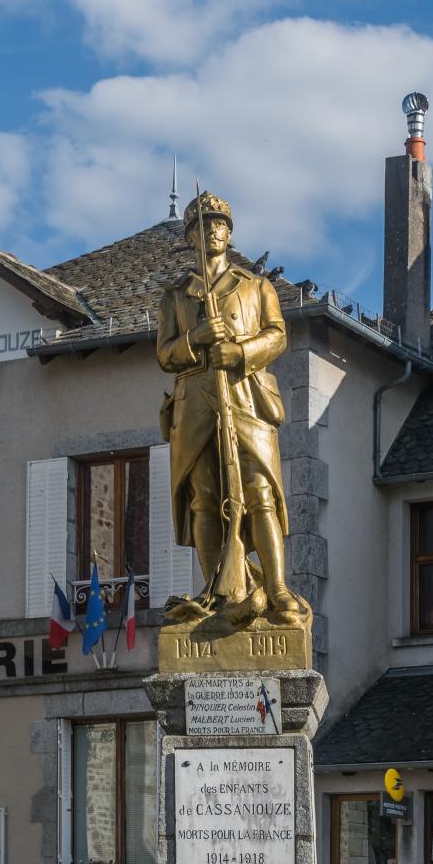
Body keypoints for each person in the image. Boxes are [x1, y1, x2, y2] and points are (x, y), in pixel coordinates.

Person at [157, 191, 300, 619]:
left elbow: (277, 335)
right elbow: (165, 355)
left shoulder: (256, 286)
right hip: (195, 404)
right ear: (190, 238)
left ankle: (277, 590)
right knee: (204, 499)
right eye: (204, 225)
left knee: (259, 494)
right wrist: (194, 340)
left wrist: (239, 353)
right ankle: (218, 590)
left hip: (245, 398)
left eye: (220, 223)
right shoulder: (176, 296)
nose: (214, 229)